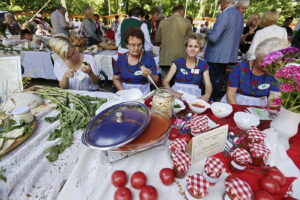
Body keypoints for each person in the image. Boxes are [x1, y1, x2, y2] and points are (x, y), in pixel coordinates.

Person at [222, 37, 289, 107]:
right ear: (257, 56)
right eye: (262, 61)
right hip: (236, 102)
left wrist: (272, 107)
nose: (266, 66)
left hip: (260, 105)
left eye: (271, 64)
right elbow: (231, 94)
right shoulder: (240, 67)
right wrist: (237, 111)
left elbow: (274, 97)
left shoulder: (276, 73)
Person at [204, 0, 244, 101]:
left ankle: (210, 102)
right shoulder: (240, 16)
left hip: (216, 55)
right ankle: (213, 101)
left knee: (212, 81)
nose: (219, 5)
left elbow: (213, 38)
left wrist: (206, 30)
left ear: (224, 2)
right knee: (218, 80)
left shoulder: (225, 14)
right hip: (229, 55)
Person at [162, 33, 212, 101]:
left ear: (200, 49)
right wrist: (172, 92)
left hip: (194, 96)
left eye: (196, 46)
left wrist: (207, 94)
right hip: (177, 96)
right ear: (186, 47)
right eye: (190, 46)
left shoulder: (203, 65)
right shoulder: (177, 63)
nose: (192, 49)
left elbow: (208, 85)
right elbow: (165, 81)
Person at [113, 27, 159, 95]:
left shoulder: (148, 58)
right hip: (125, 93)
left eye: (139, 44)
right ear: (127, 45)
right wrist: (124, 93)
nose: (136, 48)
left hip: (144, 94)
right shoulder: (121, 59)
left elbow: (156, 81)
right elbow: (116, 79)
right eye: (133, 45)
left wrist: (150, 75)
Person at [155, 4, 192, 78]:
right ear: (182, 11)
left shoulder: (162, 22)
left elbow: (157, 39)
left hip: (165, 58)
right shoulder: (187, 22)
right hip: (180, 59)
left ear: (173, 11)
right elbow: (190, 40)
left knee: (165, 84)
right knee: (178, 83)